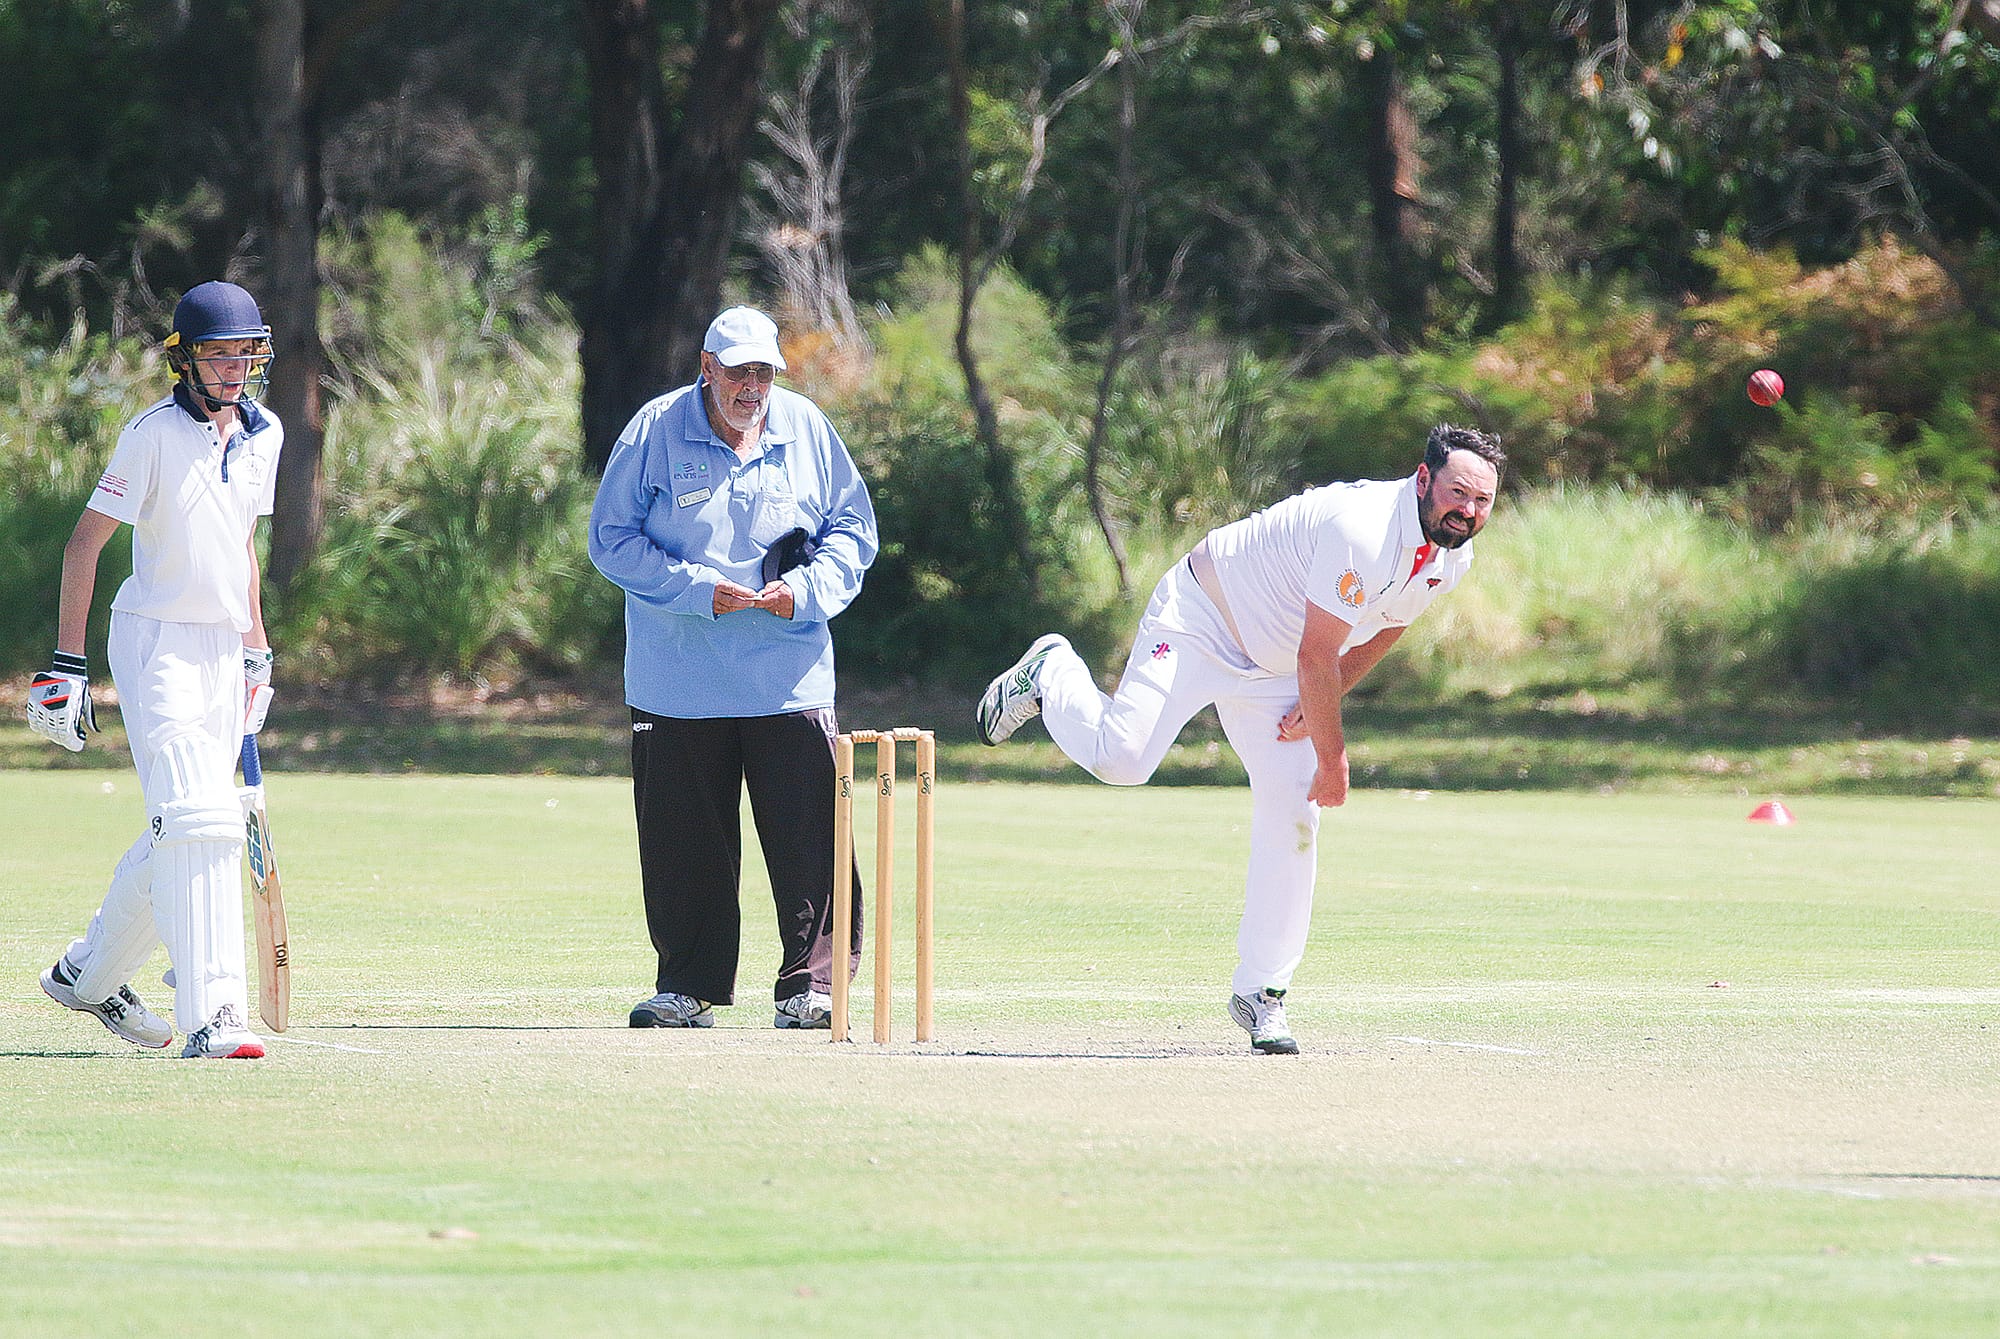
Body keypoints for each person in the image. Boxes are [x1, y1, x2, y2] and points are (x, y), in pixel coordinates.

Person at [976, 424, 1504, 1055]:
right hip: (1204, 619)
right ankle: (1055, 671)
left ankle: (1263, 992)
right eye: (1458, 493)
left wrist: (1321, 708)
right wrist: (1333, 758)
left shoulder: (1454, 555)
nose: (1468, 512)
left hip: (1279, 668)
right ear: (1424, 480)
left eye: (1483, 502)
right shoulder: (1362, 527)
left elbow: (1383, 630)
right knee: (1122, 759)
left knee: (1296, 811)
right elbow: (1318, 653)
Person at [589, 305, 878, 1031]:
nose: (751, 387)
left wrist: (806, 591)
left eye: (763, 372)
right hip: (677, 678)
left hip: (788, 674)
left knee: (811, 835)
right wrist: (694, 590)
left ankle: (810, 989)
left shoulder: (806, 427)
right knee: (685, 843)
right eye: (738, 371)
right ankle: (688, 987)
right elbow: (609, 539)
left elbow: (853, 529)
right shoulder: (654, 429)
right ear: (707, 369)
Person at [28, 280, 283, 1060]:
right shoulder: (151, 434)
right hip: (154, 640)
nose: (233, 367)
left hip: (220, 647)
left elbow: (242, 544)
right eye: (217, 352)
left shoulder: (266, 434)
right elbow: (83, 545)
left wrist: (256, 646)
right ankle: (217, 1016)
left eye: (245, 351)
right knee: (201, 819)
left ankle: (88, 973)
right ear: (185, 359)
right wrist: (66, 666)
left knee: (186, 821)